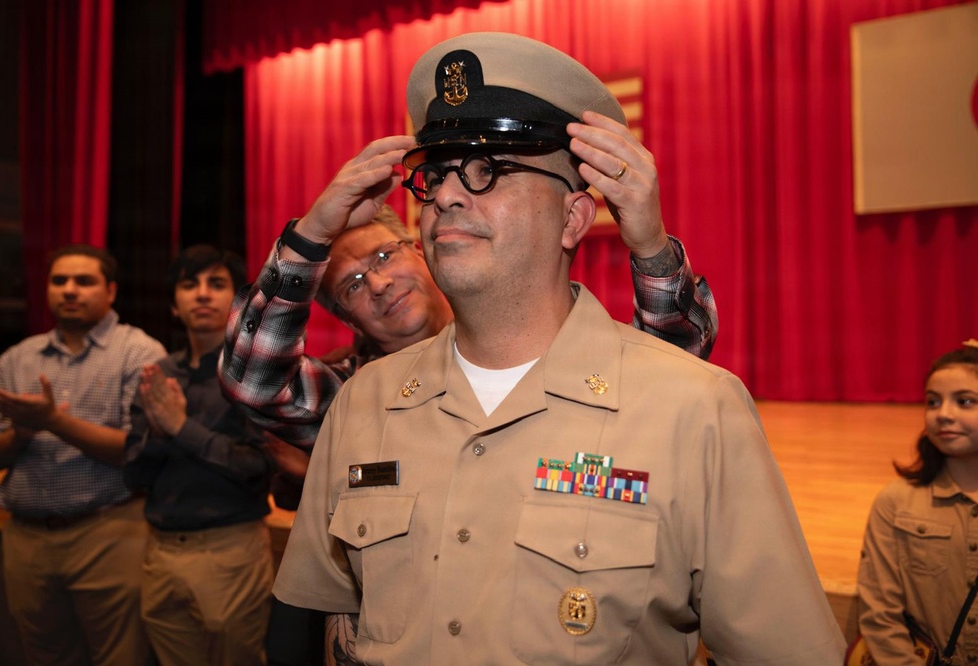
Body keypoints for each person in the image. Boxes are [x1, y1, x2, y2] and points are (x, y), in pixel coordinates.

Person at [271, 31, 846, 664]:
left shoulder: (697, 408)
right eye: (434, 177)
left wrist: (652, 244)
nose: (448, 195)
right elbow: (325, 621)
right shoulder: (364, 403)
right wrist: (310, 235)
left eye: (490, 171)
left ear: (573, 218)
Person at [0, 244, 165, 665]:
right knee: (44, 657)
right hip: (26, 538)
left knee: (121, 658)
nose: (69, 290)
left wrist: (54, 421)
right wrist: (19, 436)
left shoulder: (139, 352)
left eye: (84, 281)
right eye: (59, 280)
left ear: (111, 291)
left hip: (109, 533)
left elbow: (141, 452)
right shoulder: (17, 358)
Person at [123, 245, 276, 665]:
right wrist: (158, 433)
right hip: (160, 550)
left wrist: (181, 428)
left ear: (238, 301)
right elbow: (133, 476)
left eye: (216, 283)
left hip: (229, 549)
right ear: (174, 305)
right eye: (189, 285)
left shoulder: (254, 373)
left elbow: (260, 469)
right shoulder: (160, 374)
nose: (202, 294)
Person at [856, 341, 978, 665]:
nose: (944, 414)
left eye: (965, 401)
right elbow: (880, 613)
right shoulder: (896, 502)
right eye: (933, 401)